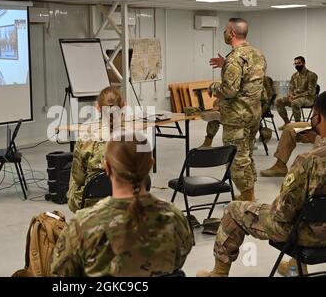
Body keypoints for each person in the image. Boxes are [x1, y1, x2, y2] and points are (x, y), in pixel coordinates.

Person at [197, 91, 326, 277]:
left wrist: (265, 208)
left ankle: (218, 273)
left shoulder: (308, 161)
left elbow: (284, 213)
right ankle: (294, 268)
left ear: (319, 118)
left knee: (234, 210)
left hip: (306, 234)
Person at [51, 132, 193, 276]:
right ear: (150, 164)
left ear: (106, 167)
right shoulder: (174, 217)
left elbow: (61, 275)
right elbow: (179, 259)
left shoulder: (83, 224)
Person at [208, 18, 267, 201]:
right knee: (247, 154)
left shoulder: (235, 58)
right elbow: (248, 78)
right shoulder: (257, 54)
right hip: (254, 113)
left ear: (232, 33)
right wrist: (225, 63)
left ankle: (247, 197)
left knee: (236, 158)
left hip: (237, 117)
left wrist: (213, 87)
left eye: (225, 29)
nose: (224, 32)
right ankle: (249, 191)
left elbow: (230, 91)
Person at [67, 86, 125, 213]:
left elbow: (79, 178)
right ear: (123, 105)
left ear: (97, 107)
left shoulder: (86, 138)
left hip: (93, 203)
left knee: (75, 177)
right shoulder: (136, 138)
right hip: (126, 198)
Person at [200, 76, 274, 148]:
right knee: (216, 117)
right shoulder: (246, 84)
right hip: (240, 111)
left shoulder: (260, 89)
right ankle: (208, 141)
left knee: (221, 113)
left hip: (249, 115)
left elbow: (259, 105)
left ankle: (209, 140)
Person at [276, 56, 317, 128]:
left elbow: (311, 92)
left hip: (308, 99)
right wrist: (290, 95)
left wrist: (296, 96)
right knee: (278, 101)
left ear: (304, 63)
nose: (296, 65)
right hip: (295, 98)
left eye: (298, 63)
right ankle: (287, 123)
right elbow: (291, 88)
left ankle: (298, 126)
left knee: (295, 103)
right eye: (295, 64)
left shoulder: (311, 75)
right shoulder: (294, 76)